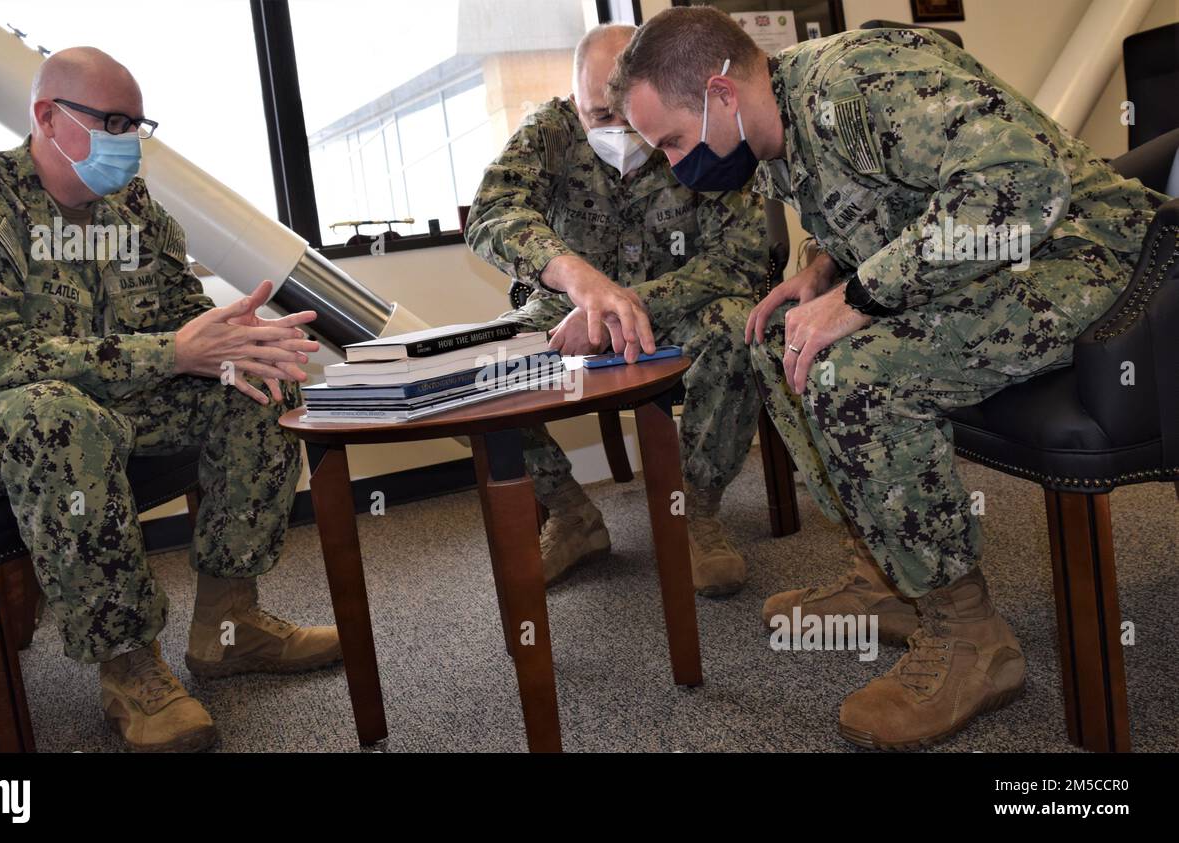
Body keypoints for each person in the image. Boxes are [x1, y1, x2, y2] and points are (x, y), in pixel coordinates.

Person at [608, 7, 1165, 748]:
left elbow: (1020, 186)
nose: (677, 166)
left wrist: (863, 297)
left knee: (854, 375)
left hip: (1092, 260)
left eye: (673, 142)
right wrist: (820, 271)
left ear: (722, 93)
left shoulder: (863, 81)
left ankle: (973, 637)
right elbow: (885, 205)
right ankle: (883, 567)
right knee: (776, 343)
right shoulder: (777, 135)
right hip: (1001, 262)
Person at [0, 47, 343, 752]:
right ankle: (128, 665)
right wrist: (173, 352)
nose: (128, 141)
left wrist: (237, 340)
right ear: (47, 117)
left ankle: (229, 624)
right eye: (114, 122)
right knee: (64, 422)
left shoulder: (132, 210)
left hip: (104, 389)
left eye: (137, 125)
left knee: (259, 385)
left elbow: (186, 321)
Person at [465, 24, 771, 596]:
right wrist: (576, 280)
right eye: (597, 116)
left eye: (627, 116)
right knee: (481, 370)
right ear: (575, 100)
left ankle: (697, 512)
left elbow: (739, 261)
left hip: (680, 303)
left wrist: (625, 309)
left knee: (736, 326)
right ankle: (572, 513)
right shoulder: (550, 129)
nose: (617, 131)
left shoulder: (695, 122)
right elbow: (489, 215)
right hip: (566, 310)